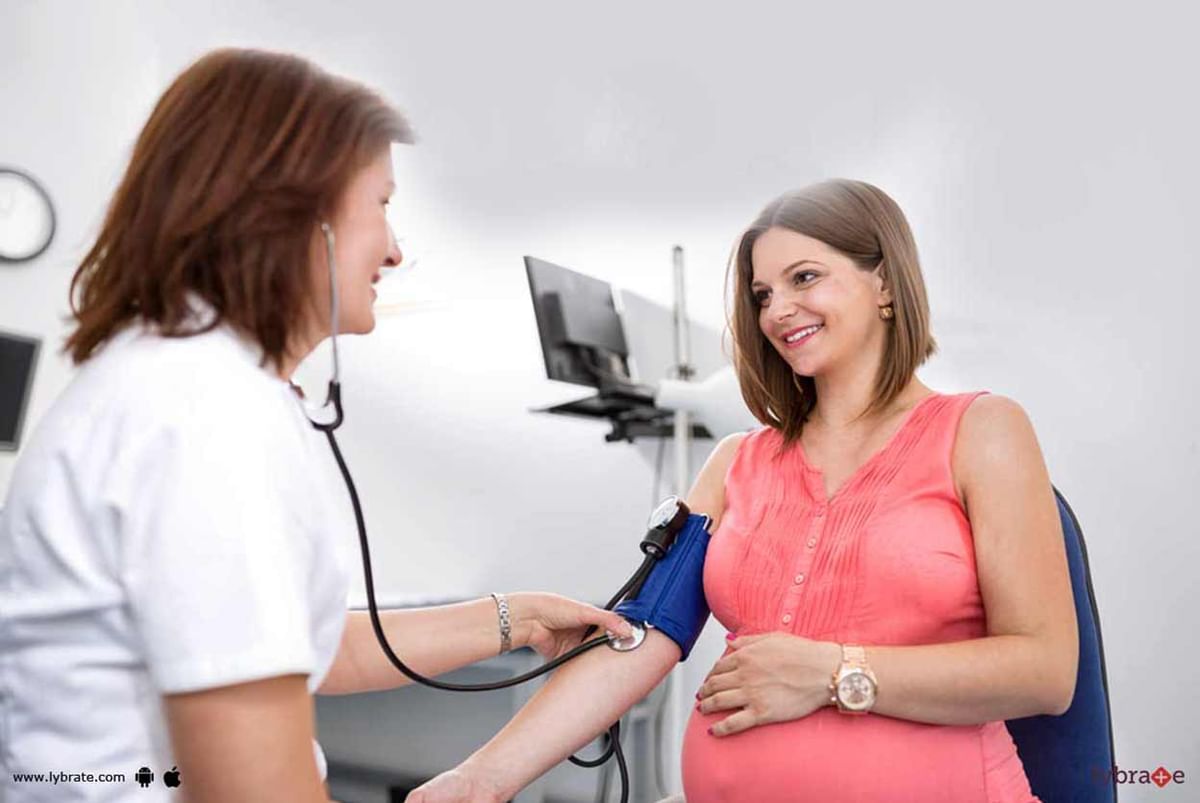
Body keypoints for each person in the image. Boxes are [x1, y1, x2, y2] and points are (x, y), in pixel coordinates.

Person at [0, 48, 632, 803]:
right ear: (295, 214)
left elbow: (315, 645)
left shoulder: (180, 384)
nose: (395, 250)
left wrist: (518, 616)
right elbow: (253, 788)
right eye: (381, 204)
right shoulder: (206, 414)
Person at [407, 179, 1079, 803]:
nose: (778, 310)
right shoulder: (735, 464)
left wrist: (833, 672)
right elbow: (641, 636)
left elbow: (1045, 670)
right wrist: (478, 781)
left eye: (804, 277)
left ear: (884, 281)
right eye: (762, 295)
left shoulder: (982, 431)